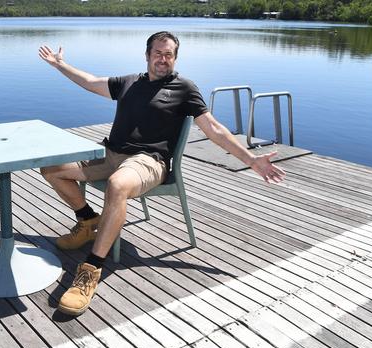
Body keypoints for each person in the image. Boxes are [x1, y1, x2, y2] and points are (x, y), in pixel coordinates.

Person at [38, 31, 285, 316]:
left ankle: (91, 269)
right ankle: (87, 220)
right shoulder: (128, 82)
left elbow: (214, 129)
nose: (163, 59)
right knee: (52, 168)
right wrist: (59, 64)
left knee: (117, 185)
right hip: (110, 153)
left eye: (169, 54)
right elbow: (91, 83)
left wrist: (252, 160)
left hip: (148, 161)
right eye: (158, 53)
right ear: (147, 55)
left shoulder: (185, 89)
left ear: (175, 58)